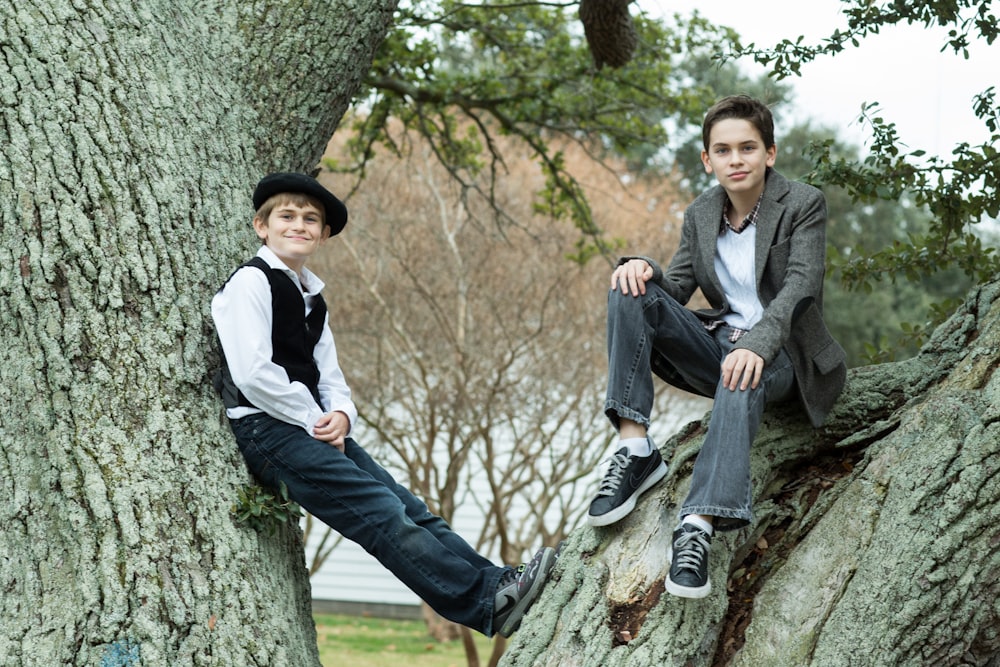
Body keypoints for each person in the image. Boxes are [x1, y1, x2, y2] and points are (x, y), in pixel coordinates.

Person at [211, 172, 556, 636]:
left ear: (324, 233)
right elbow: (253, 373)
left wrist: (341, 414)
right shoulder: (250, 283)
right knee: (381, 512)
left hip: (310, 426)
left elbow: (329, 375)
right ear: (261, 226)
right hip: (266, 429)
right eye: (287, 216)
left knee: (410, 507)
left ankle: (497, 584)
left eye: (311, 220)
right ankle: (483, 604)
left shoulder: (313, 296)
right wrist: (316, 418)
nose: (299, 225)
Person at [586, 95, 846, 599]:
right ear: (708, 160)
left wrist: (760, 345)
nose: (736, 159)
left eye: (748, 147)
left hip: (784, 353)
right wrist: (645, 268)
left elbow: (800, 286)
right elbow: (679, 283)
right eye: (723, 150)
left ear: (770, 152)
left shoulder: (802, 204)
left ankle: (697, 526)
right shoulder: (701, 212)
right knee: (628, 285)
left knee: (740, 367)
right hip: (720, 341)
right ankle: (634, 446)